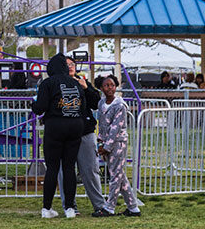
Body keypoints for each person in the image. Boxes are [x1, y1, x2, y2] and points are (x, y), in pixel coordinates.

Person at [32, 53, 88, 218]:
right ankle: (70, 208)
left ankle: (47, 208)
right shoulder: (76, 83)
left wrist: (33, 104)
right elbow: (83, 107)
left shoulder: (48, 83)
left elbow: (40, 107)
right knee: (69, 167)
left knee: (53, 168)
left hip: (55, 126)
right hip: (75, 126)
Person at [55, 58, 104, 216]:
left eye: (72, 65)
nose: (70, 67)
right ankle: (70, 206)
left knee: (90, 170)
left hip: (85, 131)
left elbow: (96, 102)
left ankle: (99, 205)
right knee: (64, 171)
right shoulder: (55, 83)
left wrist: (86, 88)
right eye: (67, 65)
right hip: (63, 134)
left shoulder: (82, 81)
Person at [96, 75, 140, 217]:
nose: (110, 88)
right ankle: (133, 208)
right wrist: (100, 142)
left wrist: (106, 147)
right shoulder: (101, 103)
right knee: (119, 175)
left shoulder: (120, 106)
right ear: (101, 88)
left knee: (115, 175)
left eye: (112, 85)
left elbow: (116, 128)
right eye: (107, 85)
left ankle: (110, 207)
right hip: (106, 143)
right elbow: (102, 125)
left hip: (118, 143)